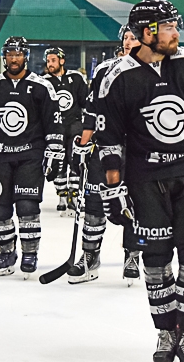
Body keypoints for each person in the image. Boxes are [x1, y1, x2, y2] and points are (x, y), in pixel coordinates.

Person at [93, 0, 184, 361]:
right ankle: (165, 332)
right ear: (148, 33)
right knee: (156, 260)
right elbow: (109, 140)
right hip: (145, 182)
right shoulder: (117, 79)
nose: (177, 33)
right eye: (169, 27)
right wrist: (113, 188)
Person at [0, 36, 64, 279]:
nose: (13, 58)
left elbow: (53, 123)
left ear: (25, 56)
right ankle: (6, 253)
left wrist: (54, 151)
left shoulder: (41, 87)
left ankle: (30, 252)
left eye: (18, 54)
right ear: (4, 56)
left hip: (30, 155)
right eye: (9, 54)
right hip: (0, 156)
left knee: (27, 205)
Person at [66, 24, 142, 285]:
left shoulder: (154, 69)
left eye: (136, 37)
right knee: (95, 202)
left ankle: (133, 255)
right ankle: (90, 256)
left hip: (138, 150)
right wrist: (82, 145)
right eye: (127, 38)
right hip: (105, 146)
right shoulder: (104, 70)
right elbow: (91, 110)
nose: (131, 41)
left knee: (135, 203)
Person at [42, 47, 88, 216]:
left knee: (75, 160)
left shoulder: (76, 78)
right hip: (55, 127)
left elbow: (85, 102)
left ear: (62, 60)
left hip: (75, 125)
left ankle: (74, 195)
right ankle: (62, 196)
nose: (50, 64)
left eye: (53, 60)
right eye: (48, 61)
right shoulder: (44, 82)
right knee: (58, 161)